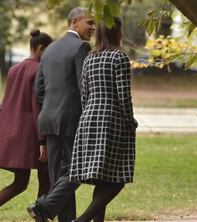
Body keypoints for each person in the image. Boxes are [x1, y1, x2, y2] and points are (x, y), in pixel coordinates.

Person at [0, 29, 53, 222]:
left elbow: (8, 103)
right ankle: (41, 217)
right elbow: (36, 107)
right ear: (41, 49)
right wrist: (43, 140)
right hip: (31, 134)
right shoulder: (39, 70)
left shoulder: (14, 70)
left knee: (21, 182)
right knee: (46, 175)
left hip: (12, 133)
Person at [26, 7, 95, 222]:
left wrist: (51, 107)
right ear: (74, 22)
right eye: (89, 22)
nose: (93, 27)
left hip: (48, 119)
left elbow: (38, 90)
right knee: (80, 168)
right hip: (71, 120)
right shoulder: (82, 47)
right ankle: (43, 206)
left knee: (59, 176)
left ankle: (59, 215)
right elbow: (85, 88)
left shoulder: (50, 49)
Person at [70, 16, 138, 222]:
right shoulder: (119, 58)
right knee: (117, 179)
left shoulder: (90, 58)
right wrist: (130, 120)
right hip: (112, 120)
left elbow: (85, 94)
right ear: (117, 33)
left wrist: (89, 116)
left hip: (89, 117)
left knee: (102, 179)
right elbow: (123, 95)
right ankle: (81, 220)